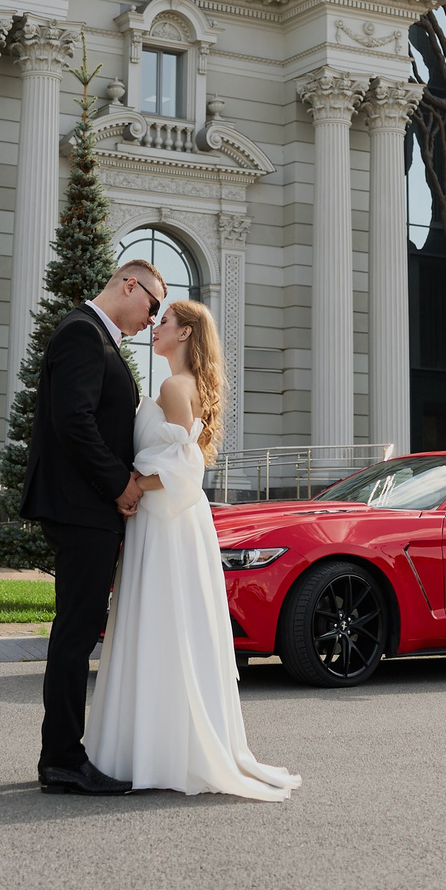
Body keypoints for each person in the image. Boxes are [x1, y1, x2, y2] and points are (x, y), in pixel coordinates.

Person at [88, 299, 301, 801]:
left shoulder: (172, 387)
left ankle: (155, 750)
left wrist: (133, 485)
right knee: (167, 627)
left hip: (165, 523)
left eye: (164, 322)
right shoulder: (180, 386)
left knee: (161, 626)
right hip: (167, 523)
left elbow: (186, 469)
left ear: (184, 334)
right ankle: (161, 746)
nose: (155, 328)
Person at [21, 259, 160, 796]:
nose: (152, 319)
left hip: (85, 507)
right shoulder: (82, 333)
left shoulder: (94, 336)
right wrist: (119, 484)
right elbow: (72, 421)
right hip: (81, 508)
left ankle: (61, 754)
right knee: (76, 633)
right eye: (152, 305)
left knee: (77, 631)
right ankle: (61, 758)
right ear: (130, 285)